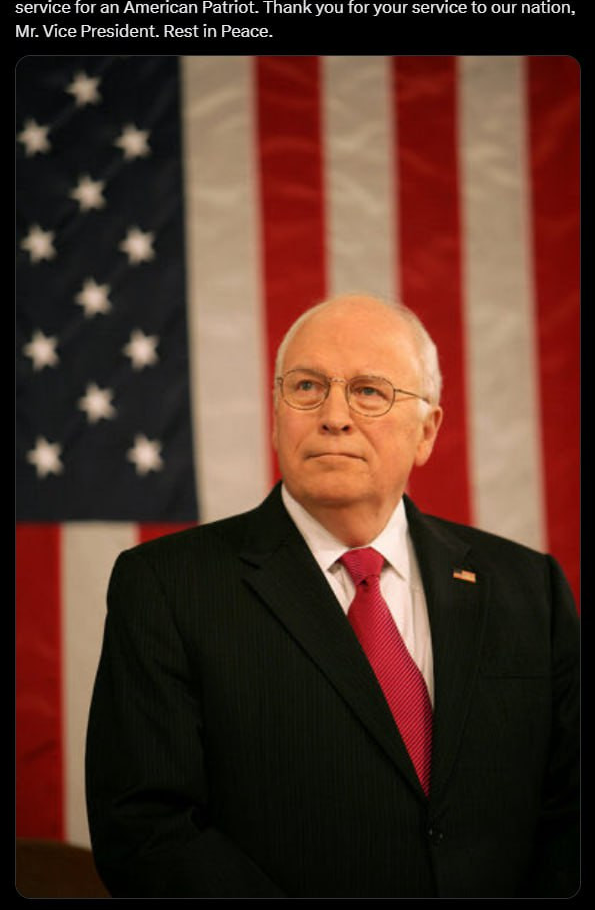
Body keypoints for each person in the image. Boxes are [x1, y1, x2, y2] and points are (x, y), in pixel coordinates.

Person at [85, 293, 579, 898]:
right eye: (307, 387)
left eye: (369, 391)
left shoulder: (529, 589)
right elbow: (145, 831)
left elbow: (570, 811)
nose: (334, 416)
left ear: (426, 431)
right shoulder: (167, 586)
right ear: (276, 415)